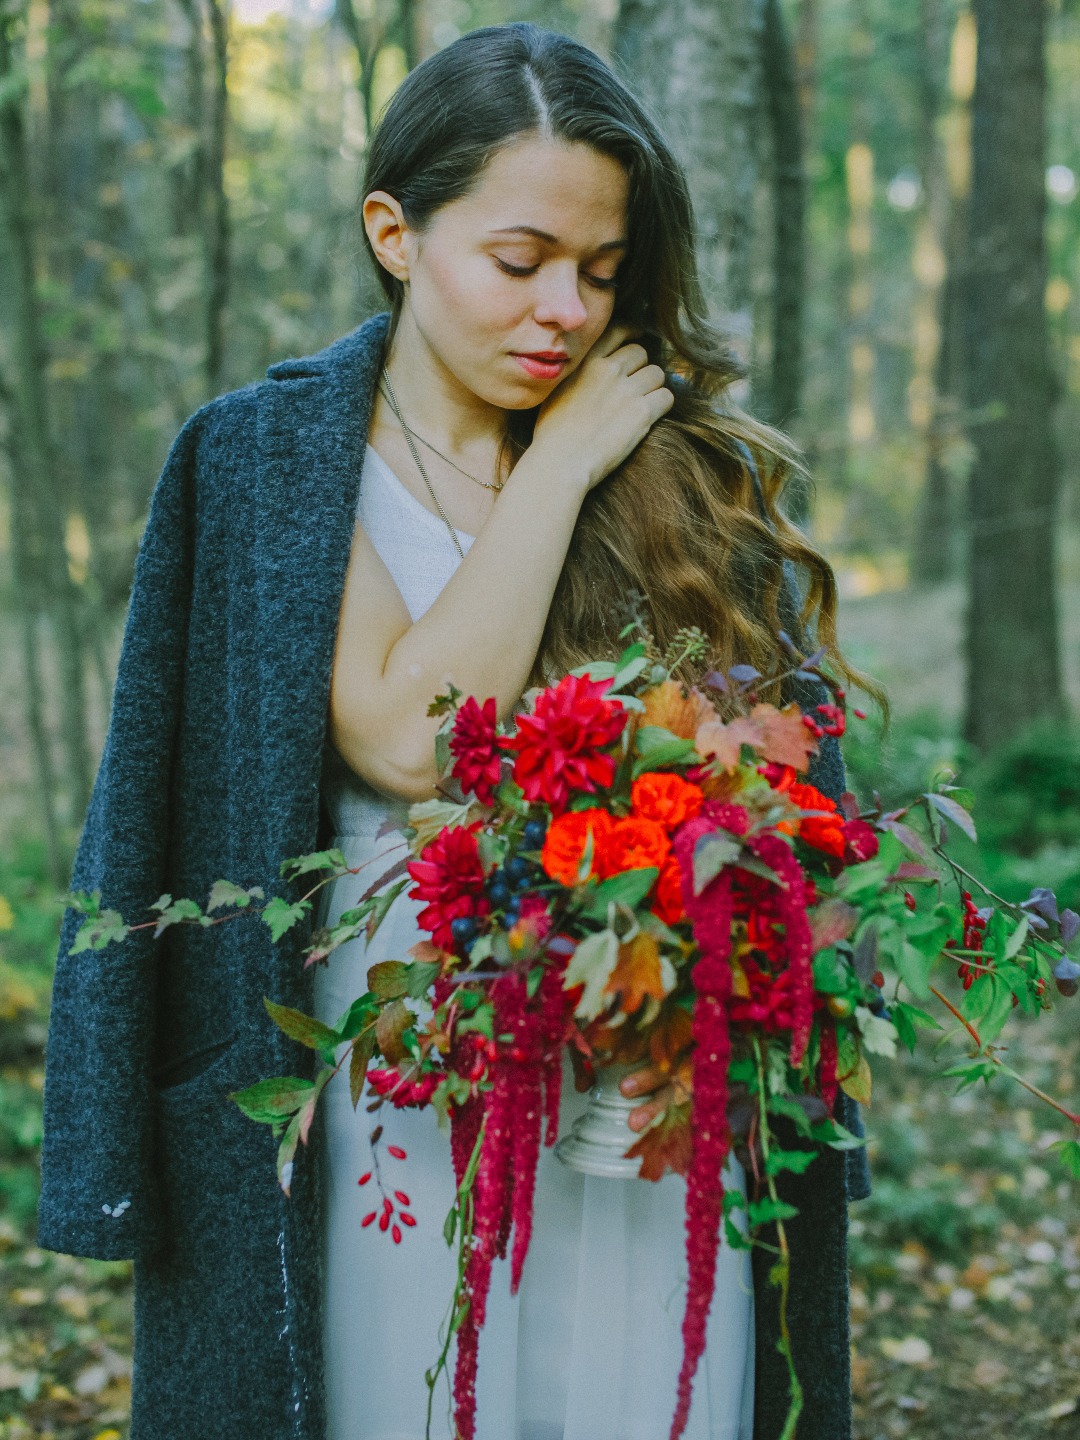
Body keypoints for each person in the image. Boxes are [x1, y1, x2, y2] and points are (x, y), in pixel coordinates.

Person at [38, 21, 872, 1440]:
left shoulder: (678, 470)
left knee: (637, 1392)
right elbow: (412, 739)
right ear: (396, 233)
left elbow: (779, 786)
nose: (566, 312)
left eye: (601, 271)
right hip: (389, 1065)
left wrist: (713, 956)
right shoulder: (279, 458)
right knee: (413, 1392)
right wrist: (563, 465)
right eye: (520, 260)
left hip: (641, 1068)